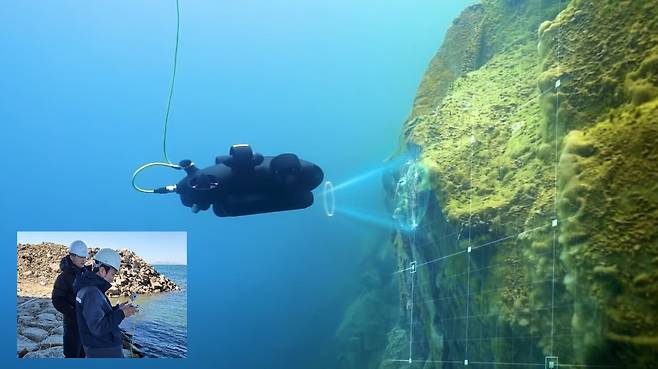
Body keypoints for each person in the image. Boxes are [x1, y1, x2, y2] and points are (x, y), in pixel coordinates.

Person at [74, 248, 137, 358]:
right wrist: (123, 314)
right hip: (102, 350)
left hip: (98, 347)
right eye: (113, 274)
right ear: (103, 271)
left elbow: (98, 316)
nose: (113, 279)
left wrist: (117, 309)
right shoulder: (91, 292)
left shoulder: (90, 287)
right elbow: (98, 328)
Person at [51, 240, 89, 358]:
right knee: (72, 353)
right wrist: (73, 312)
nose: (83, 259)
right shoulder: (63, 277)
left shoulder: (86, 274)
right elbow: (57, 300)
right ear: (71, 256)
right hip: (72, 324)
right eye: (80, 256)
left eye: (85, 256)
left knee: (83, 353)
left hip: (85, 323)